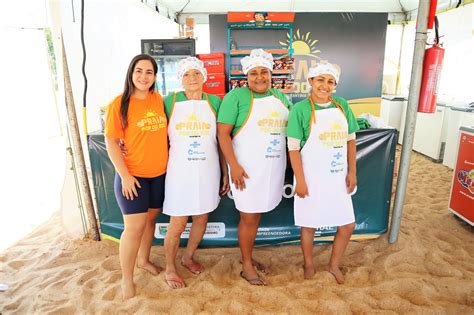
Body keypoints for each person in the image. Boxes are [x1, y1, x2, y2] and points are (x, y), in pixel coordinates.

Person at [217, 49, 292, 286]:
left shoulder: (281, 97)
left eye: (264, 72)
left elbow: (293, 133)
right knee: (248, 217)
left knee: (256, 214)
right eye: (253, 73)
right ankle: (246, 265)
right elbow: (222, 134)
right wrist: (234, 167)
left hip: (272, 168)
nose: (259, 77)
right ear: (246, 77)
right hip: (246, 170)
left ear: (271, 74)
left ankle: (248, 256)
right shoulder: (235, 98)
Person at [287, 63, 359, 283]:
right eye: (320, 80)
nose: (324, 85)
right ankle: (309, 265)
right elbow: (293, 148)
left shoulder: (342, 106)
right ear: (310, 81)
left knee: (347, 225)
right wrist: (300, 181)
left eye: (330, 81)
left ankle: (333, 265)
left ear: (334, 85)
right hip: (311, 178)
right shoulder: (300, 110)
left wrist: (352, 173)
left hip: (338, 177)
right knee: (309, 225)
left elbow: (351, 140)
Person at [162, 57, 229, 289]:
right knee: (178, 222)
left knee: (202, 216)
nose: (192, 78)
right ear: (180, 79)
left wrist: (225, 171)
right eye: (187, 74)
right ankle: (170, 266)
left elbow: (222, 139)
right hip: (180, 171)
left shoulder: (215, 102)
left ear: (204, 77)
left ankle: (188, 257)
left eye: (196, 74)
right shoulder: (169, 101)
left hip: (207, 169)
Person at [105, 54, 168, 299]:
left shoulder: (158, 99)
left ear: (155, 77)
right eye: (139, 71)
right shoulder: (119, 103)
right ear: (131, 73)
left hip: (159, 175)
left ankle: (144, 260)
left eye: (149, 72)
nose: (144, 77)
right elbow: (111, 142)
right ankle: (127, 279)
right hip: (133, 177)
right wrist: (126, 176)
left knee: (150, 222)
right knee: (133, 229)